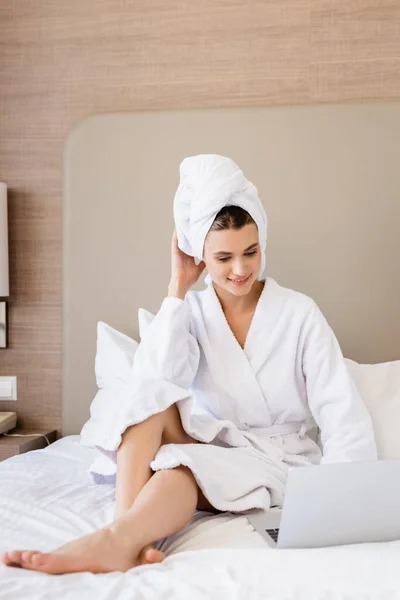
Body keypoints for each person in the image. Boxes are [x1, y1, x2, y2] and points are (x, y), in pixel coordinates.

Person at [0, 155, 377, 575]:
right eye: (222, 258)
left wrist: (344, 500)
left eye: (251, 252)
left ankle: (116, 540)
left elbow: (339, 409)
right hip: (216, 444)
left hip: (278, 459)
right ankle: (124, 531)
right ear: (200, 254)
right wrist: (177, 287)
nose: (240, 269)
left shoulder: (300, 313)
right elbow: (150, 381)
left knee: (178, 469)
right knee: (152, 401)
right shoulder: (193, 311)